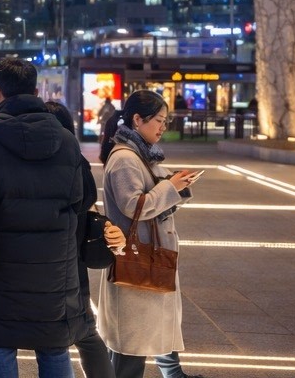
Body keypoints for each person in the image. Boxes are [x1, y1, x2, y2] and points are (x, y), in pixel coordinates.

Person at [0, 57, 88, 378]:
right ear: (36, 90)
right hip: (53, 266)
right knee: (53, 345)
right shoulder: (66, 141)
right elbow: (77, 199)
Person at [95, 89, 204, 378]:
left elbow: (150, 198)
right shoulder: (126, 159)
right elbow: (134, 206)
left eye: (165, 120)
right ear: (137, 119)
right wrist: (171, 187)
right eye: (158, 120)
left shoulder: (142, 154)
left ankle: (174, 373)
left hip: (147, 254)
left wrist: (175, 185)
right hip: (135, 256)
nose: (163, 126)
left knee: (143, 331)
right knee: (130, 339)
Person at [44, 101, 123, 378]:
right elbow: (89, 202)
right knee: (86, 332)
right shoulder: (78, 163)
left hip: (38, 263)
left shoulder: (33, 165)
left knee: (54, 340)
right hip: (73, 263)